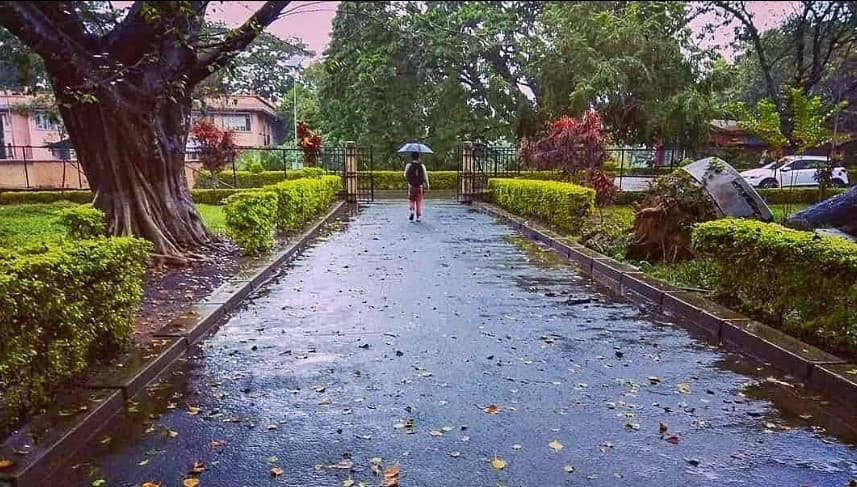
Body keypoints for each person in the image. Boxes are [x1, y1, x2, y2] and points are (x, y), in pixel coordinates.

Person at [404, 152, 430, 222]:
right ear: (418, 157)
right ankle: (418, 217)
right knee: (419, 201)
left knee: (411, 200)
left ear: (411, 157)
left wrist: (410, 179)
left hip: (411, 186)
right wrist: (427, 185)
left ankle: (412, 211)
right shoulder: (422, 165)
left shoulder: (408, 165)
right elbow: (425, 176)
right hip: (420, 186)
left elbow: (405, 175)